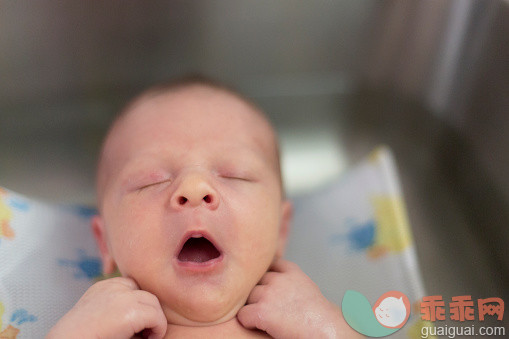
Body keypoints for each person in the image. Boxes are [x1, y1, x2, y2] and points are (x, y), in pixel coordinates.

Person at [47, 76, 360, 338]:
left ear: (281, 227)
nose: (194, 189)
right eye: (151, 181)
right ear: (105, 243)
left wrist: (328, 329)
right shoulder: (105, 329)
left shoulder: (304, 324)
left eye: (234, 174)